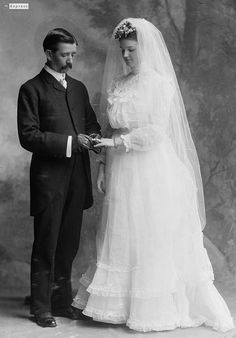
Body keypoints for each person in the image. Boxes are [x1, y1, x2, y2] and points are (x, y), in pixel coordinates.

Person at [72, 18, 234, 333]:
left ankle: (151, 308)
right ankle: (118, 305)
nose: (126, 57)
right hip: (120, 168)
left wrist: (116, 143)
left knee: (148, 232)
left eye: (131, 50)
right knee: (120, 231)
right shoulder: (119, 83)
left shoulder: (159, 84)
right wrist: (105, 163)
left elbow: (155, 133)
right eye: (123, 51)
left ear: (145, 48)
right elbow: (110, 125)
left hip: (149, 169)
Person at [17, 28, 101, 328]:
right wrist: (70, 142)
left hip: (77, 179)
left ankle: (61, 302)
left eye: (73, 55)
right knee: (46, 244)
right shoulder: (31, 89)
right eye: (65, 55)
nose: (70, 61)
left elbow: (92, 124)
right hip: (48, 181)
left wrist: (92, 137)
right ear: (49, 54)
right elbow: (28, 136)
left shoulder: (78, 88)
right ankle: (41, 308)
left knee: (68, 244)